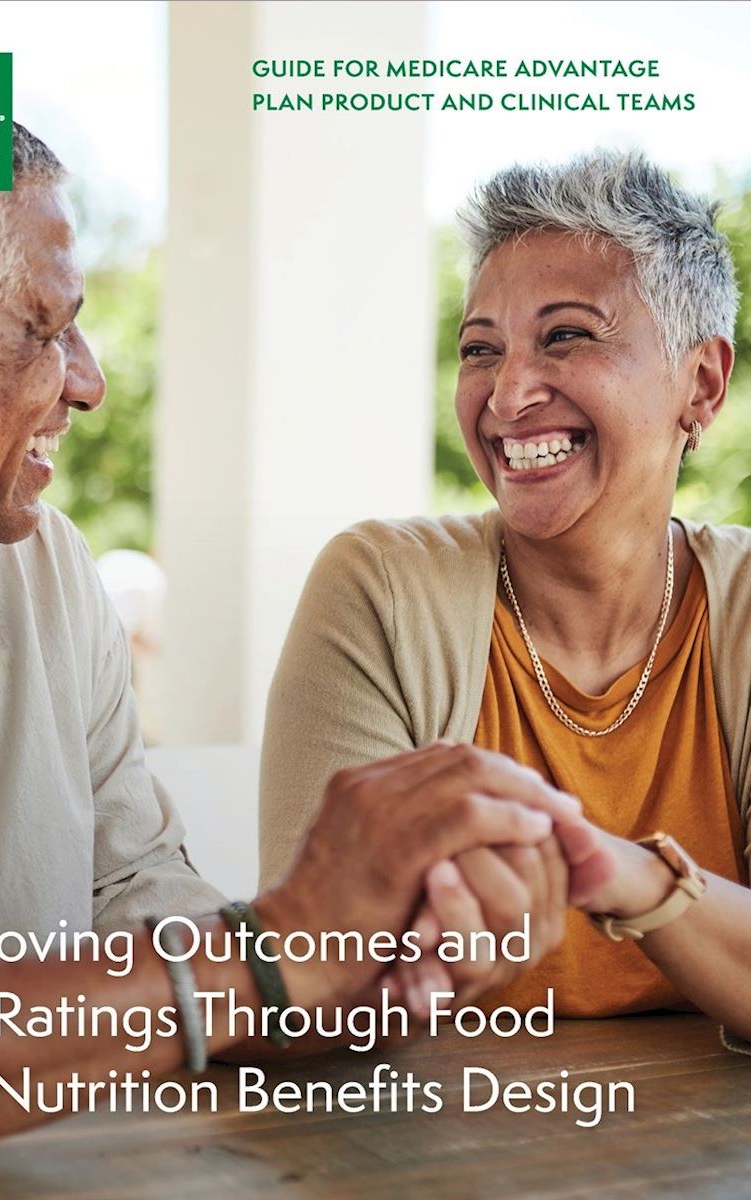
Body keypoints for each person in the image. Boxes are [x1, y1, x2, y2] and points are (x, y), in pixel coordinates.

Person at [0, 86, 613, 1158]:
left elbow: (151, 928)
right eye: (47, 331)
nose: (89, 384)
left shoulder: (47, 575)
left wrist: (368, 966)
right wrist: (275, 949)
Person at [259, 152, 751, 1049]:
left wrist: (625, 876)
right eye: (480, 349)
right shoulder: (379, 588)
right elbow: (312, 984)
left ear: (702, 384)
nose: (508, 394)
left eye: (565, 336)